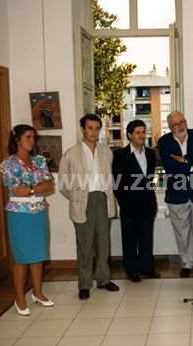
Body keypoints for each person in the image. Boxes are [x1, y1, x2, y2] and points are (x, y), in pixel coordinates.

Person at [58, 114, 119, 299]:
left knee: (103, 244)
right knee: (85, 246)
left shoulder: (106, 151)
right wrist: (76, 197)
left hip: (102, 199)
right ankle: (84, 284)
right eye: (90, 128)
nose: (93, 132)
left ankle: (103, 279)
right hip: (82, 202)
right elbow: (62, 183)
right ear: (83, 129)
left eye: (96, 128)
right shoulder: (71, 153)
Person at [0, 124, 55, 315]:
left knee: (38, 254)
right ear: (17, 139)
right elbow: (16, 190)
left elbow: (49, 184)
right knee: (22, 257)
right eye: (29, 137)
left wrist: (30, 188)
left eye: (34, 137)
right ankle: (19, 297)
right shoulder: (8, 164)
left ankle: (38, 293)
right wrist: (35, 187)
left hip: (39, 212)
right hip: (19, 216)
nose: (32, 141)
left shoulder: (39, 160)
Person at [158, 111, 193, 278]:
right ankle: (187, 263)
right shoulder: (163, 142)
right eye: (175, 125)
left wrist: (184, 160)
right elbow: (169, 167)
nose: (179, 126)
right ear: (170, 127)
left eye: (181, 122)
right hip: (176, 194)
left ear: (186, 121)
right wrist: (191, 162)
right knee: (182, 232)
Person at [112, 120, 159, 283]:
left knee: (147, 238)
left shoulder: (151, 153)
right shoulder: (120, 155)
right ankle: (131, 270)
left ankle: (147, 268)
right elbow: (116, 183)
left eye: (143, 132)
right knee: (130, 239)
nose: (141, 135)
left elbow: (150, 179)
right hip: (129, 205)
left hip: (148, 204)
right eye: (138, 132)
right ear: (130, 135)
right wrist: (123, 202)